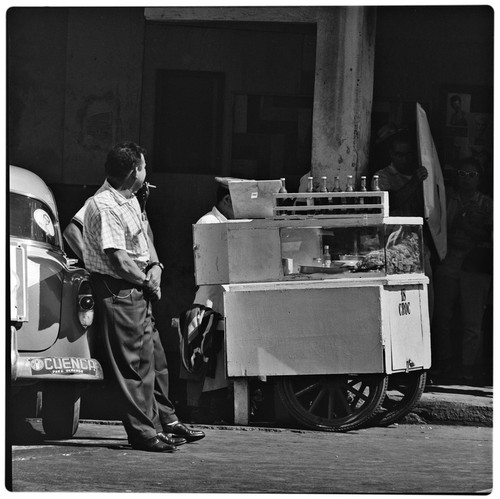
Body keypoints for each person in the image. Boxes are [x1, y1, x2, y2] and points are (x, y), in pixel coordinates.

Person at [83, 141, 204, 452]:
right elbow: (118, 259)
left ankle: (166, 421)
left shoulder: (130, 199)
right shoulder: (105, 205)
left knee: (155, 358)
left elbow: (143, 236)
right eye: (144, 166)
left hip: (139, 287)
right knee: (134, 366)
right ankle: (143, 433)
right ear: (134, 171)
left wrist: (155, 266)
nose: (146, 172)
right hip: (120, 290)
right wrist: (145, 281)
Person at [431, 157, 493, 383]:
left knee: (472, 320)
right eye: (463, 174)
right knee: (443, 315)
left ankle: (468, 367)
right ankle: (444, 362)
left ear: (480, 178)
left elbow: (488, 235)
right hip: (449, 260)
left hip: (476, 264)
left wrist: (469, 227)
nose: (467, 180)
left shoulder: (487, 203)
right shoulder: (448, 200)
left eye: (472, 175)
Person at [373, 129, 435, 319]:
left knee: (424, 299)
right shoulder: (383, 176)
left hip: (418, 245)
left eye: (408, 155)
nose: (404, 159)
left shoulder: (422, 176)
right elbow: (394, 201)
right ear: (391, 154)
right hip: (394, 245)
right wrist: (415, 181)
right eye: (399, 154)